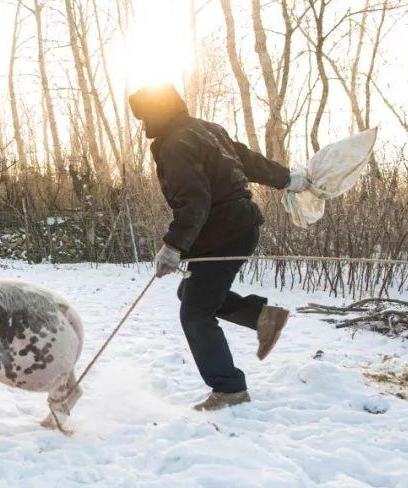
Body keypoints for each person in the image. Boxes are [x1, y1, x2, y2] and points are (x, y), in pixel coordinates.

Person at [127, 83, 309, 410]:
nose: (143, 126)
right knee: (192, 294)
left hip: (222, 231)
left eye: (144, 117)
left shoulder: (176, 144)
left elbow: (194, 201)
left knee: (195, 312)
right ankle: (262, 316)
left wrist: (173, 245)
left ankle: (229, 389)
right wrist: (286, 179)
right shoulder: (207, 130)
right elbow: (250, 161)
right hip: (239, 227)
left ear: (156, 112)